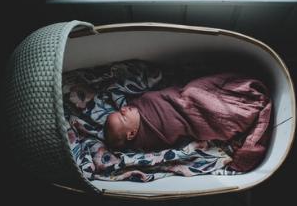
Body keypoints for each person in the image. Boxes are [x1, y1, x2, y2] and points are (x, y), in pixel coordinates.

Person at [104, 72, 272, 171]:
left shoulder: (137, 105)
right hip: (194, 118)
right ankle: (241, 111)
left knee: (194, 90)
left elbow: (164, 92)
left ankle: (239, 100)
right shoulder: (147, 141)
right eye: (122, 115)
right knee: (208, 108)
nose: (124, 108)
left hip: (186, 98)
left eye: (121, 110)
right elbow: (177, 143)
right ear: (131, 133)